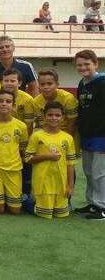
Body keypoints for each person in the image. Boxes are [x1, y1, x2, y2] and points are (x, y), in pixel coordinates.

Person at [25, 102, 75, 219]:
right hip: (43, 182)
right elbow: (28, 158)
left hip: (61, 183)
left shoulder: (68, 138)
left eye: (57, 115)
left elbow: (70, 164)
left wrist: (70, 186)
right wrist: (48, 156)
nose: (54, 118)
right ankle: (26, 201)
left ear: (63, 117)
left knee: (61, 215)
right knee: (45, 215)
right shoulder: (37, 136)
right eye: (50, 115)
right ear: (44, 116)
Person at [74, 50, 105, 220]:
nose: (83, 67)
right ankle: (93, 203)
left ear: (96, 64)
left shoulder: (103, 82)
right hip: (87, 134)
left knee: (100, 173)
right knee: (89, 171)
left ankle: (102, 207)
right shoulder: (82, 83)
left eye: (87, 64)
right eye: (79, 65)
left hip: (101, 135)